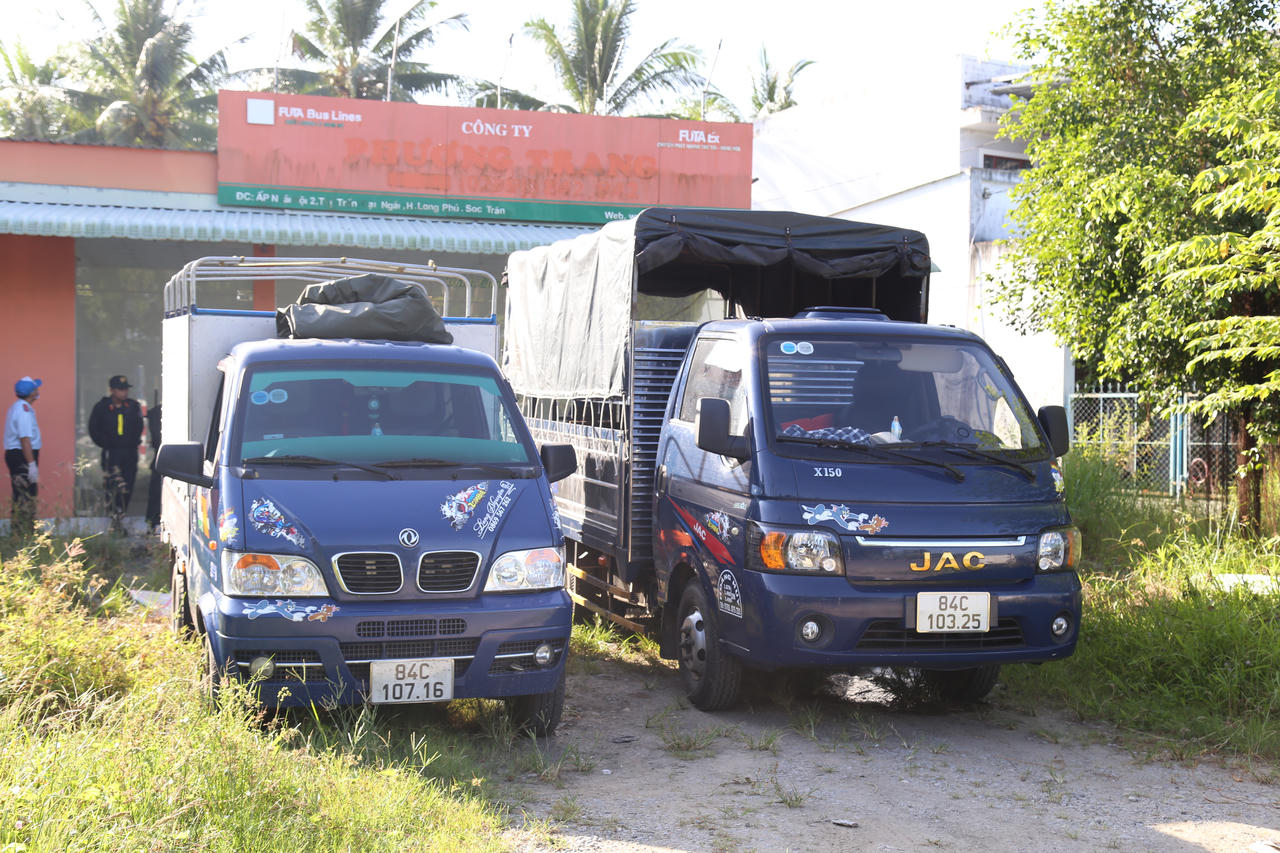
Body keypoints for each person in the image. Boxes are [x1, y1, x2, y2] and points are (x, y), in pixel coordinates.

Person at [88, 374, 144, 530]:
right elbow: (94, 429)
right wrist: (106, 444)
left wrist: (133, 441)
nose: (124, 393)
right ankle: (113, 518)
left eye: (125, 389)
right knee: (112, 485)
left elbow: (139, 426)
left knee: (128, 484)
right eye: (120, 390)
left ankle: (121, 514)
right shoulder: (102, 407)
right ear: (112, 390)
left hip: (129, 452)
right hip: (111, 453)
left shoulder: (133, 406)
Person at [4, 376, 42, 537]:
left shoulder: (18, 406)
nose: (38, 392)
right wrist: (31, 464)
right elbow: (25, 439)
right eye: (36, 389)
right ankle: (23, 534)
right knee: (25, 495)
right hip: (22, 456)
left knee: (22, 494)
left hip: (18, 455)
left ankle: (22, 532)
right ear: (32, 393)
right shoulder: (24, 411)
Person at [144, 402, 162, 532]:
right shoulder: (156, 412)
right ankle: (153, 523)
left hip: (166, 459)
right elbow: (156, 438)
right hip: (160, 459)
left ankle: (154, 523)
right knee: (156, 494)